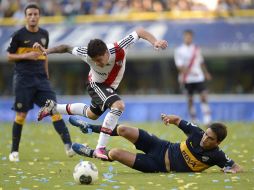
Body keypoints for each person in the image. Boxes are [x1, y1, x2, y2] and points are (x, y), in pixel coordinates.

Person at [33, 27, 168, 160]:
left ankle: (54, 108)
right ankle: (100, 148)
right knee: (118, 105)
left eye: (99, 59)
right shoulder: (86, 54)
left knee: (92, 114)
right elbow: (66, 47)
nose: (97, 63)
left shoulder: (118, 48)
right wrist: (47, 51)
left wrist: (155, 42)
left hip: (109, 88)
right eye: (94, 61)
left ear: (105, 52)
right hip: (96, 85)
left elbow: (140, 32)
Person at [6, 3, 74, 162]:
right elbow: (9, 56)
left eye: (35, 14)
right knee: (21, 114)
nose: (32, 17)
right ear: (25, 17)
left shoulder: (44, 34)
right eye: (29, 14)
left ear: (39, 16)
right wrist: (26, 56)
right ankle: (14, 151)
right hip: (24, 80)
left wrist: (47, 75)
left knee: (54, 110)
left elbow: (45, 55)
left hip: (41, 80)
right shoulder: (18, 35)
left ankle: (69, 146)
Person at [69, 114, 243, 173]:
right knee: (123, 129)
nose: (205, 138)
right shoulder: (197, 133)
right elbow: (178, 120)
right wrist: (168, 118)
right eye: (206, 134)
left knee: (114, 153)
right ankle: (90, 128)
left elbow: (237, 167)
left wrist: (231, 171)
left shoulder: (217, 155)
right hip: (161, 146)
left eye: (210, 138)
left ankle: (91, 153)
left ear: (218, 142)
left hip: (157, 165)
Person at [174, 29, 212, 126]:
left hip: (198, 77)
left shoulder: (196, 49)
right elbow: (179, 66)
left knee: (203, 96)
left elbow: (201, 62)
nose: (188, 38)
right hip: (187, 79)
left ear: (192, 37)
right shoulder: (179, 50)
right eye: (186, 36)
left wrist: (206, 73)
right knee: (190, 100)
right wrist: (191, 72)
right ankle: (194, 119)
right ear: (184, 37)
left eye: (190, 37)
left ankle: (207, 119)